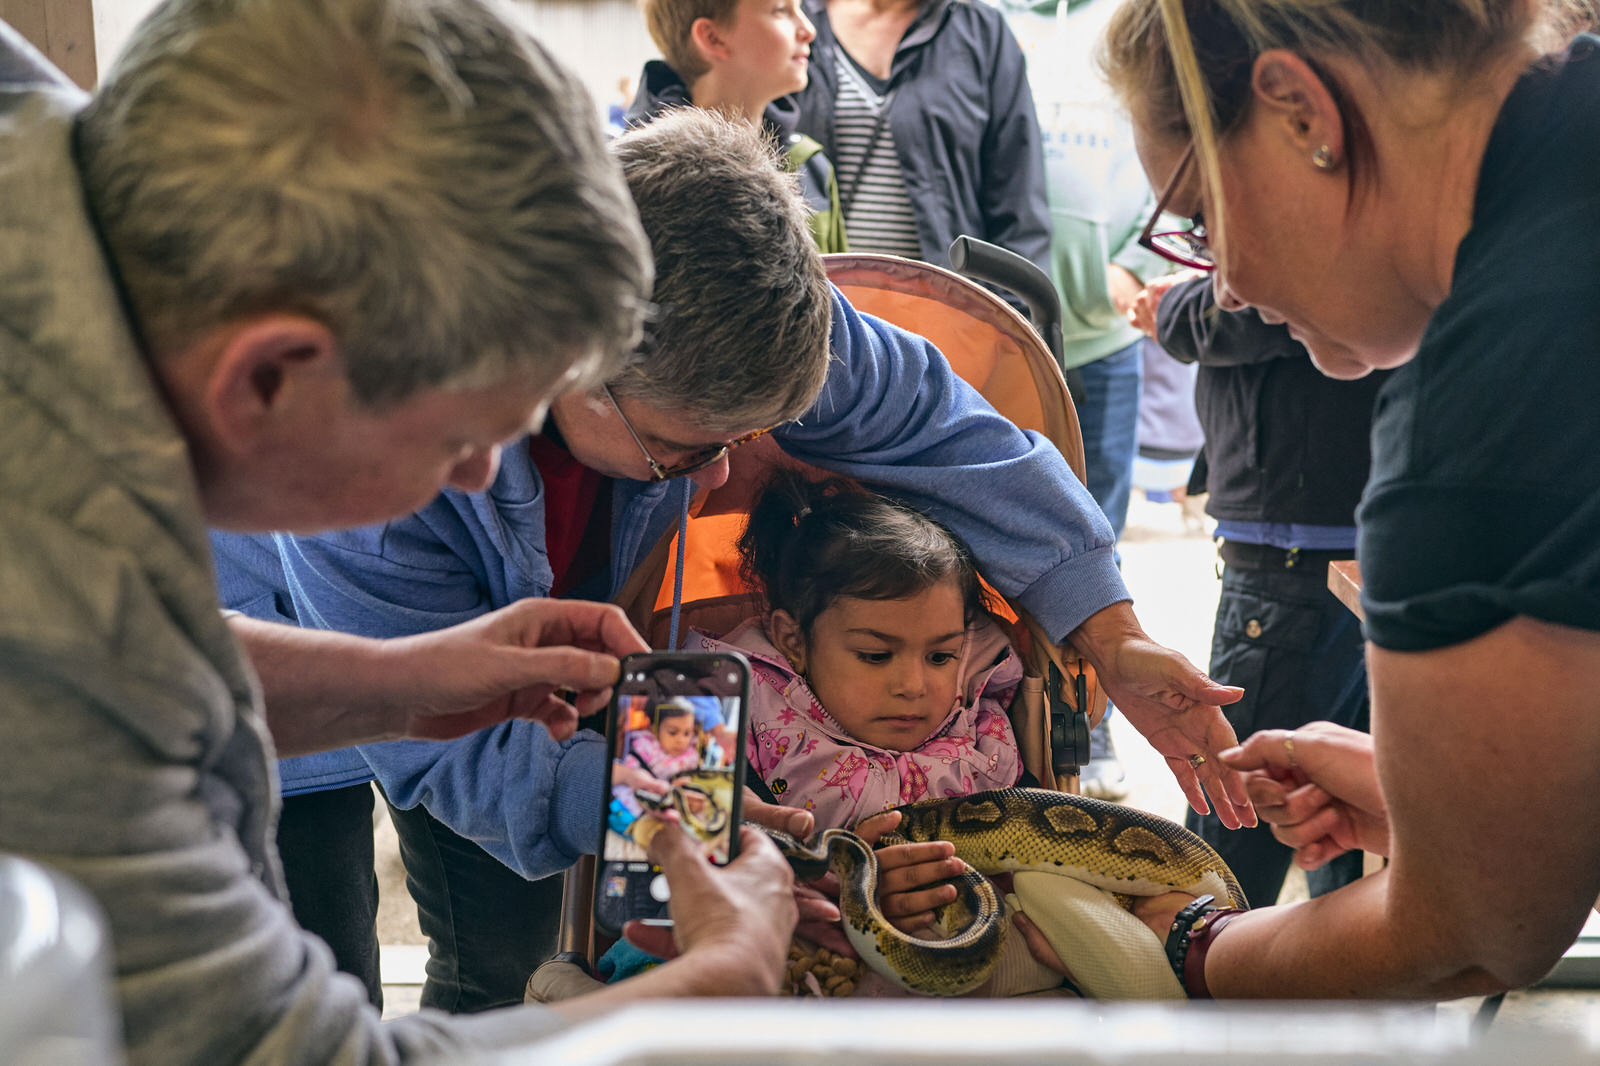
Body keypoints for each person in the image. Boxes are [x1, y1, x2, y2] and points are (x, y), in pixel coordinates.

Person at [215, 106, 1256, 1008]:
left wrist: (1110, 632)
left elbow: (948, 431)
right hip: (283, 648)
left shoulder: (737, 310)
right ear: (577, 362)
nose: (719, 478)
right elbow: (453, 750)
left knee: (531, 918)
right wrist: (670, 815)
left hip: (518, 626)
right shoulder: (370, 462)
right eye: (687, 449)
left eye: (740, 440)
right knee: (348, 953)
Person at [0, 3, 806, 1063]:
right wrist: (711, 985)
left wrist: (396, 680)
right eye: (462, 438)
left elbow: (140, 664)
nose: (478, 478)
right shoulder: (50, 607)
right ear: (271, 377)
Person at [1014, 0, 1600, 999]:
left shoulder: (1474, 414)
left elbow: (1473, 931)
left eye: (1201, 223)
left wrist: (1186, 941)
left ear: (1300, 112)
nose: (1225, 288)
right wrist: (1468, 801)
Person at [1126, 269, 1387, 909]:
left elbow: (1275, 292)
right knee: (1342, 815)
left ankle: (1205, 963)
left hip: (1299, 539)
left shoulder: (1317, 268)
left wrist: (1180, 305)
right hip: (1345, 528)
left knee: (1236, 828)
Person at [700, 474, 1024, 826]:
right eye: (876, 656)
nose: (913, 686)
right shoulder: (728, 718)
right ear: (794, 642)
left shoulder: (982, 738)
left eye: (939, 657)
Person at [790, 0, 1049, 275]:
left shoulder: (981, 30)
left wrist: (1011, 300)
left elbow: (1019, 207)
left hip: (942, 296)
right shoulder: (799, 20)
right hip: (819, 291)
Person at [631, 0, 846, 250]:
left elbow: (843, 274)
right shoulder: (635, 179)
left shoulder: (812, 168)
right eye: (780, 10)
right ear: (712, 38)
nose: (809, 30)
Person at [623, 699, 703, 780]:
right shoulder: (643, 750)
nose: (681, 740)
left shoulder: (691, 757)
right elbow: (631, 777)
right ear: (655, 729)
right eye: (673, 732)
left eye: (687, 733)